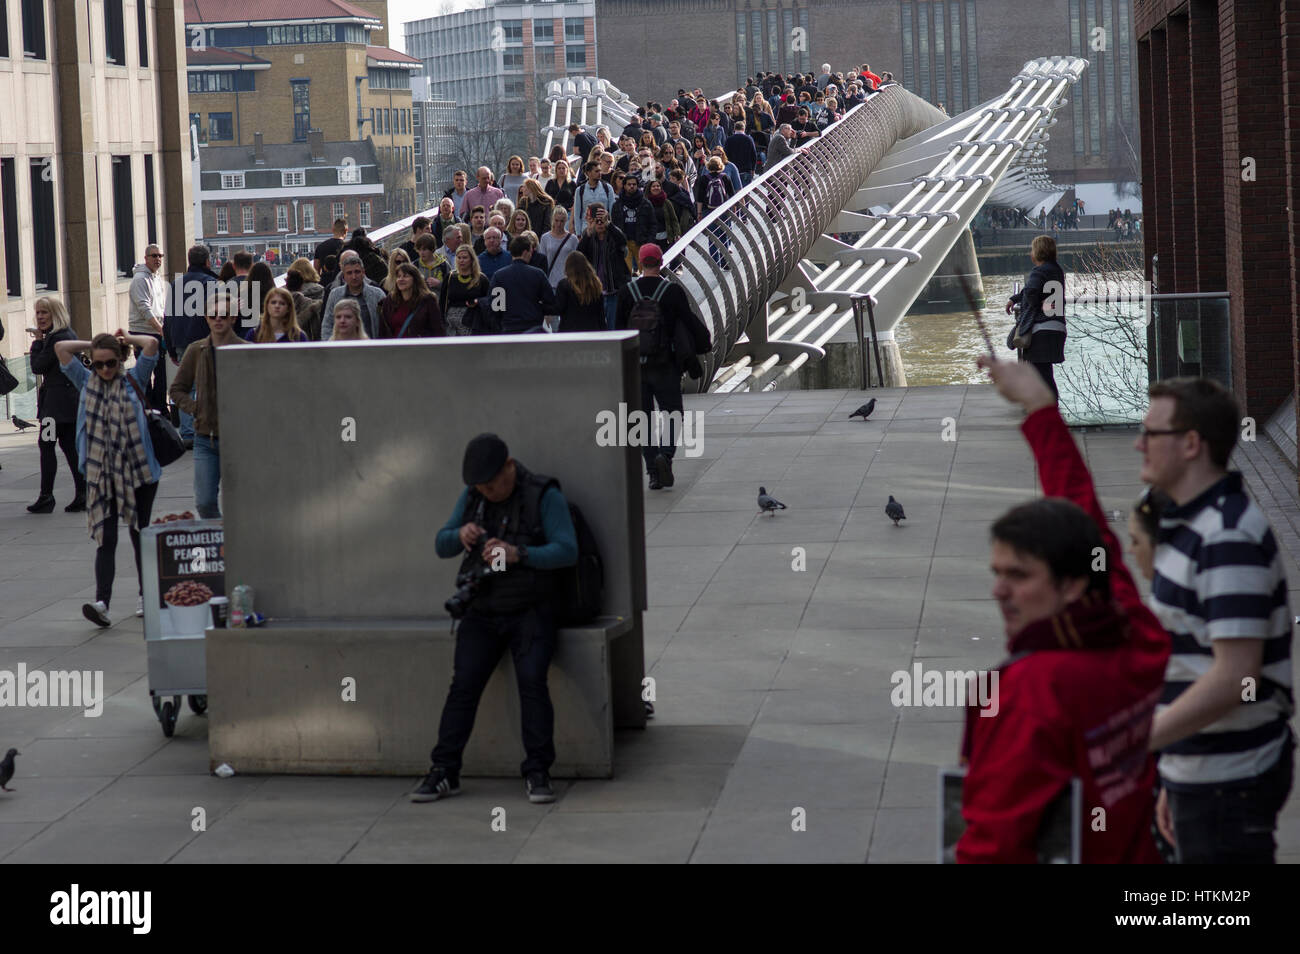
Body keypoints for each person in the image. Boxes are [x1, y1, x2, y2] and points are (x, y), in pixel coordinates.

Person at [956, 353, 1170, 863]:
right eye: (998, 573)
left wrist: (1038, 405)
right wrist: (1038, 406)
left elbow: (993, 846)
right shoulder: (1134, 628)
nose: (999, 592)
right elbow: (1086, 517)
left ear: (1072, 585)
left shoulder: (1029, 693)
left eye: (1019, 576)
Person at [1139, 378, 1295, 863]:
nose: (1138, 444)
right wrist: (1176, 765)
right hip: (1205, 771)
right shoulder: (1193, 527)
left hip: (1232, 780)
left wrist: (1135, 743)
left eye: (1151, 434)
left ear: (1190, 444)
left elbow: (1235, 677)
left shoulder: (1227, 535)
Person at [411, 434, 578, 806]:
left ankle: (538, 771)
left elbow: (567, 551)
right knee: (463, 686)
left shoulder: (542, 495)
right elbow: (441, 544)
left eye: (493, 485)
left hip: (531, 607)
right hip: (484, 608)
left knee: (532, 682)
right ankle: (444, 771)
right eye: (481, 488)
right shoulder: (473, 497)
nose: (489, 493)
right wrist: (461, 534)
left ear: (510, 466)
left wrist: (518, 553)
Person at [54, 328, 163, 626]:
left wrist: (125, 338)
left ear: (120, 360)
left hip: (140, 472)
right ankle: (102, 602)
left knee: (140, 533)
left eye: (110, 363)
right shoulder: (85, 381)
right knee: (107, 538)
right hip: (102, 475)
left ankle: (146, 594)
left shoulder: (133, 380)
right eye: (99, 363)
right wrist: (94, 344)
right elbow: (62, 348)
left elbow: (152, 343)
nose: (104, 369)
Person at [615, 244, 696, 489]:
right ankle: (666, 456)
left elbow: (618, 330)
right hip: (666, 365)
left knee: (641, 419)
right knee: (672, 412)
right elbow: (688, 324)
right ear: (661, 263)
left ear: (640, 264)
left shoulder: (627, 292)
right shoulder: (672, 292)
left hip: (636, 366)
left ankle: (652, 472)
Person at [170, 287, 241, 520]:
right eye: (213, 314)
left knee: (241, 503)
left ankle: (236, 545)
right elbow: (177, 390)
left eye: (224, 314)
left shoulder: (246, 351)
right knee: (205, 502)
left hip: (240, 441)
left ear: (233, 317)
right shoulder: (196, 350)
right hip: (205, 439)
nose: (218, 318)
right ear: (206, 317)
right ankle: (221, 542)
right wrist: (194, 409)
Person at [26, 298, 85, 514]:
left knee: (47, 445)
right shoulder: (67, 334)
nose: (40, 317)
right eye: (38, 312)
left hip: (55, 408)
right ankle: (83, 492)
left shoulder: (56, 339)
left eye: (45, 313)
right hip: (67, 405)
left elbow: (38, 366)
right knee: (69, 447)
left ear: (55, 314)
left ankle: (46, 496)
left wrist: (37, 343)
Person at [164, 246, 220, 446]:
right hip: (205, 341)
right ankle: (204, 428)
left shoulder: (176, 284)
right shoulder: (213, 284)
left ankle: (187, 433)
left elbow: (168, 319)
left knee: (185, 386)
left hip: (180, 341)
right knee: (205, 384)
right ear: (207, 262)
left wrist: (169, 347)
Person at [1006, 235, 1066, 399]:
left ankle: (1047, 414)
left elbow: (1031, 293)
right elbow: (1036, 290)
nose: (1030, 253)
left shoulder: (1038, 271)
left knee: (1039, 376)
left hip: (1041, 331)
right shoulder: (1056, 270)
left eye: (1032, 249)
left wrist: (1028, 304)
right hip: (1057, 328)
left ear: (1038, 252)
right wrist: (1016, 298)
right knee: (1047, 374)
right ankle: (1051, 413)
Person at [577, 203, 630, 331]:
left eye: (602, 221)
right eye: (597, 221)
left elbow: (622, 241)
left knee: (613, 327)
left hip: (613, 290)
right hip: (595, 292)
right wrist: (589, 231)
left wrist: (609, 224)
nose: (600, 224)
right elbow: (579, 254)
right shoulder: (589, 235)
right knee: (595, 328)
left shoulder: (613, 233)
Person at [488, 236, 558, 334]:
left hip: (508, 327)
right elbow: (551, 303)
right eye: (530, 251)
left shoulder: (498, 276)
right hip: (532, 327)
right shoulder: (538, 274)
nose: (531, 255)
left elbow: (495, 307)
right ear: (525, 252)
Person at [127, 244, 168, 411]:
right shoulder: (140, 279)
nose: (158, 259)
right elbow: (145, 309)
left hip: (156, 331)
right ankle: (150, 408)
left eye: (160, 255)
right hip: (142, 332)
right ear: (146, 258)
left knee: (161, 373)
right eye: (154, 256)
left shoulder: (156, 277)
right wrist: (161, 330)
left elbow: (159, 307)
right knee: (146, 373)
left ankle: (158, 407)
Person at [321, 251, 386, 340]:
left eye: (357, 272)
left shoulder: (377, 294)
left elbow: (385, 324)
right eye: (349, 273)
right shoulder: (334, 294)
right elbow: (327, 325)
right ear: (343, 275)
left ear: (363, 272)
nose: (354, 276)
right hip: (342, 350)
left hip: (371, 349)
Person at [377, 263, 445, 339]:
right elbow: (383, 330)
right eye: (399, 276)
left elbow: (438, 330)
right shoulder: (389, 300)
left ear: (415, 279)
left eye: (405, 276)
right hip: (395, 349)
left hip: (419, 348)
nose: (401, 279)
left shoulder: (428, 300)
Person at [440, 245, 490, 336]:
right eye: (459, 257)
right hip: (451, 323)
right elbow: (443, 301)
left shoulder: (481, 278)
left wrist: (477, 301)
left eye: (465, 258)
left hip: (471, 321)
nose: (461, 260)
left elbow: (490, 300)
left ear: (472, 259)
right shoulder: (450, 277)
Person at [553, 251, 606, 333]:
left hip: (569, 332)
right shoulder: (595, 285)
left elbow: (558, 308)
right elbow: (601, 315)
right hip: (593, 333)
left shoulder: (564, 285)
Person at [571, 161, 615, 235]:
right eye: (596, 171)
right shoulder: (580, 190)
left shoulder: (608, 188)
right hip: (586, 229)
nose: (599, 173)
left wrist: (612, 227)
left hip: (604, 228)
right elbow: (577, 214)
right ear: (588, 173)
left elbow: (612, 211)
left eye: (600, 171)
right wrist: (578, 233)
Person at [539, 206, 578, 289]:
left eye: (562, 221)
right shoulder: (545, 238)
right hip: (550, 282)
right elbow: (542, 262)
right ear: (553, 220)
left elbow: (576, 262)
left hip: (568, 283)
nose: (559, 224)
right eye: (556, 220)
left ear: (566, 221)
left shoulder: (573, 239)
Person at [643, 179, 681, 249]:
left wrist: (677, 234)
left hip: (666, 238)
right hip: (651, 239)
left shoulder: (667, 202)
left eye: (658, 186)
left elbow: (674, 219)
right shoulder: (645, 204)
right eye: (653, 186)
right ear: (649, 189)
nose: (656, 188)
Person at [724, 121, 758, 185]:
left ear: (734, 129)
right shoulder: (749, 139)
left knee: (734, 193)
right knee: (746, 193)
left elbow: (725, 155)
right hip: (746, 170)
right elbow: (754, 155)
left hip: (733, 170)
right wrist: (753, 169)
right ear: (744, 129)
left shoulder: (729, 139)